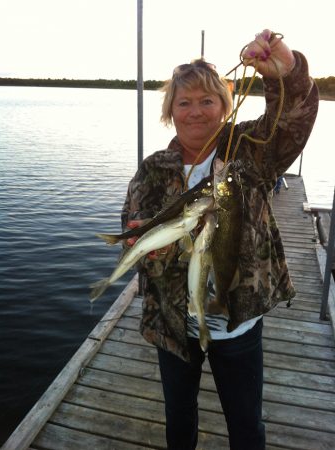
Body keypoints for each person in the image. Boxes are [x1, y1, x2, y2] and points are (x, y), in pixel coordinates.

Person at [121, 29, 319, 450]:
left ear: (225, 107)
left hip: (238, 322)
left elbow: (293, 120)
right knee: (179, 419)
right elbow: (135, 227)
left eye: (208, 100)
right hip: (173, 323)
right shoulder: (153, 169)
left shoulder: (250, 150)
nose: (196, 112)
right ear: (170, 112)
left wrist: (286, 74)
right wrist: (143, 245)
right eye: (185, 102)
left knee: (246, 425)